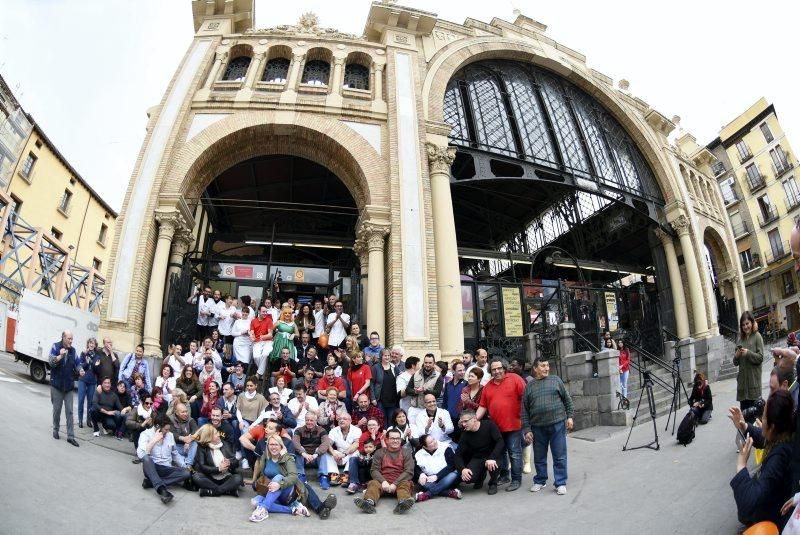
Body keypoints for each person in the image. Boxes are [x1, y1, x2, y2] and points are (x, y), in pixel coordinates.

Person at [729, 390, 794, 530]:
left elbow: (748, 505)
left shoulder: (778, 458)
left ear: (772, 427)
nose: (760, 421)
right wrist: (744, 426)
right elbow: (764, 437)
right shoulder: (785, 434)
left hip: (773, 522)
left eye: (763, 418)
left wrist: (741, 465)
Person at [521, 357, 574, 496]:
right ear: (535, 368)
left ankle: (560, 482)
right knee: (539, 456)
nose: (546, 368)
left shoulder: (556, 380)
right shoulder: (529, 387)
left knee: (559, 455)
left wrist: (570, 417)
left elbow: (567, 400)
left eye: (547, 365)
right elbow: (524, 410)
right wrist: (527, 429)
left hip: (557, 424)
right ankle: (540, 480)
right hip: (537, 427)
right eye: (543, 366)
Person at [476, 358, 526, 493]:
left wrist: (527, 422)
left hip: (514, 425)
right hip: (497, 428)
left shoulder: (515, 379)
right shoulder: (488, 387)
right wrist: (474, 419)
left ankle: (516, 479)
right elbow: (483, 406)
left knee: (514, 453)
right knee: (501, 454)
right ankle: (504, 476)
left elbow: (526, 398)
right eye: (494, 369)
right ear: (490, 371)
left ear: (504, 368)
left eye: (499, 368)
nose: (497, 371)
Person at [249, 434, 311, 521]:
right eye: (271, 444)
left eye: (276, 444)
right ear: (267, 446)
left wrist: (279, 484)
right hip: (271, 492)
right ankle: (293, 509)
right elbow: (263, 475)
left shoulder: (287, 458)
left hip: (287, 492)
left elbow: (293, 477)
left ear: (281, 446)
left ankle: (262, 510)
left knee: (278, 477)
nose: (273, 447)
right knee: (255, 502)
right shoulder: (265, 457)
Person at [354, 428, 415, 514]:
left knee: (405, 485)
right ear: (387, 440)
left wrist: (395, 484)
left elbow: (409, 471)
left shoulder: (406, 452)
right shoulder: (379, 452)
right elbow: (374, 470)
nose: (395, 440)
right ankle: (369, 503)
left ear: (400, 440)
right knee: (373, 483)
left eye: (397, 438)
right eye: (392, 438)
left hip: (400, 482)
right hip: (383, 483)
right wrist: (383, 481)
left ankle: (403, 503)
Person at [137, 414, 192, 504]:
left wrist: (185, 466)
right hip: (152, 467)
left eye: (168, 429)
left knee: (186, 473)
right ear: (157, 427)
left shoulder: (169, 436)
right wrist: (154, 440)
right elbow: (141, 455)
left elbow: (175, 454)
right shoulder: (145, 434)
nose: (167, 431)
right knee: (146, 458)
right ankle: (161, 490)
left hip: (166, 468)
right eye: (166, 429)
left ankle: (152, 483)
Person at [455, 410, 504, 493]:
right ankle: (481, 476)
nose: (463, 424)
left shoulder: (489, 425)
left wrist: (492, 458)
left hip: (493, 456)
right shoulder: (465, 434)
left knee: (493, 465)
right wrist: (462, 469)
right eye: (462, 422)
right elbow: (458, 454)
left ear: (474, 419)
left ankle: (493, 483)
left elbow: (500, 441)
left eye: (466, 421)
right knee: (468, 478)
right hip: (478, 458)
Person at [191, 423, 242, 497]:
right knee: (197, 477)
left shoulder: (225, 444)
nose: (218, 435)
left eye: (217, 432)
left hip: (225, 477)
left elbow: (236, 462)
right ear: (209, 437)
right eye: (215, 434)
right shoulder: (201, 448)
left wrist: (230, 462)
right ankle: (227, 491)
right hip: (209, 478)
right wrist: (218, 469)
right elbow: (203, 467)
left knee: (238, 478)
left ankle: (211, 491)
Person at [49, 330, 80, 446]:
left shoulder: (73, 350)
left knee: (70, 411)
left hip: (68, 386)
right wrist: (60, 356)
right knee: (57, 410)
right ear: (63, 338)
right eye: (69, 338)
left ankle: (70, 436)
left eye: (72, 339)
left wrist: (80, 370)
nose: (71, 341)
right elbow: (51, 362)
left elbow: (78, 363)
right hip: (56, 385)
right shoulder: (55, 346)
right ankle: (55, 429)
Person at [292, 412, 335, 489]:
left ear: (316, 421)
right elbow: (295, 443)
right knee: (299, 448)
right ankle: (301, 474)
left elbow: (326, 443)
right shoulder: (299, 430)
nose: (309, 422)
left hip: (316, 459)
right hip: (304, 459)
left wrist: (316, 454)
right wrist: (304, 454)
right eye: (307, 420)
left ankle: (323, 476)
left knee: (322, 449)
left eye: (311, 420)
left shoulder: (322, 430)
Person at [414, 433, 461, 501]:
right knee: (421, 480)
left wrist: (437, 476)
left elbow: (452, 466)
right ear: (425, 447)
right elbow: (416, 467)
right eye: (431, 442)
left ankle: (427, 495)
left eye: (433, 439)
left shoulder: (446, 448)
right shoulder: (418, 454)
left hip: (446, 478)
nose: (434, 442)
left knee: (454, 474)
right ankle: (449, 492)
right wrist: (421, 474)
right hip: (430, 479)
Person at [735, 311, 765, 414]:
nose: (745, 327)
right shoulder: (739, 339)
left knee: (756, 418)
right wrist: (737, 355)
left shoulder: (757, 336)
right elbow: (735, 362)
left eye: (747, 323)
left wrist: (748, 353)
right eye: (743, 325)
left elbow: (760, 358)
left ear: (752, 323)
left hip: (754, 383)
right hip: (743, 386)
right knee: (745, 417)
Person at [406, 354, 443, 423]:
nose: (427, 365)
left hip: (428, 410)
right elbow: (408, 390)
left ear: (434, 363)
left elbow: (437, 393)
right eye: (426, 362)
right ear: (423, 363)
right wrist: (416, 391)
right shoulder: (416, 374)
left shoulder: (438, 376)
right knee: (413, 430)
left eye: (430, 363)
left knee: (426, 431)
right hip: (415, 408)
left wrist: (425, 391)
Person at [264, 306, 300, 377]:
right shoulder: (279, 322)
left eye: (289, 313)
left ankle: (288, 373)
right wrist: (271, 335)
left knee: (287, 357)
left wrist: (293, 334)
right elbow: (271, 330)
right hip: (278, 341)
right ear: (283, 314)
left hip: (289, 342)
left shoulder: (293, 324)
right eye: (285, 313)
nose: (287, 315)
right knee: (277, 357)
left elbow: (298, 334)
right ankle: (274, 372)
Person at [327, 413, 361, 487]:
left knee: (356, 452)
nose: (341, 420)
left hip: (349, 454)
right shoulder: (334, 430)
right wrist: (334, 454)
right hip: (338, 455)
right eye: (340, 419)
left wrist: (344, 454)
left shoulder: (357, 430)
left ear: (350, 421)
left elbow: (356, 444)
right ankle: (334, 474)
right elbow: (328, 444)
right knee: (327, 452)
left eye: (344, 419)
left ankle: (346, 474)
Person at [76, 337, 100, 428]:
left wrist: (95, 365)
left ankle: (89, 420)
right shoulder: (83, 353)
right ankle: (80, 420)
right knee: (81, 400)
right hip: (83, 380)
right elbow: (80, 365)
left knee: (90, 402)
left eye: (93, 343)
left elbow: (96, 370)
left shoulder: (97, 356)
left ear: (95, 345)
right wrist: (86, 363)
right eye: (90, 343)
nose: (91, 344)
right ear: (88, 344)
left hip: (92, 381)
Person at [372, 348, 400, 426]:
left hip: (393, 399)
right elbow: (371, 384)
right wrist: (373, 398)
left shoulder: (394, 367)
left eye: (388, 355)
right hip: (380, 399)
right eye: (385, 355)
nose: (387, 357)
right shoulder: (376, 367)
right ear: (381, 356)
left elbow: (401, 379)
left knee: (392, 420)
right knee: (382, 421)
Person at [170, 402, 199, 468]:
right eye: (182, 412)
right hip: (177, 447)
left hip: (189, 446)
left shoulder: (190, 419)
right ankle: (189, 460)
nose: (185, 414)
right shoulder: (171, 419)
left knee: (195, 443)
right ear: (177, 413)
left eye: (186, 411)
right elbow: (172, 433)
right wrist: (183, 438)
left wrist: (189, 441)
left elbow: (196, 431)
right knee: (170, 449)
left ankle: (188, 465)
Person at [250, 306, 274, 378]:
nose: (265, 313)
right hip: (257, 342)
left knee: (265, 354)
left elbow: (270, 334)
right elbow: (252, 332)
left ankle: (258, 374)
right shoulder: (253, 321)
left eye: (266, 312)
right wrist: (252, 337)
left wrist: (263, 337)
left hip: (267, 341)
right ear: (259, 311)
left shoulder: (269, 320)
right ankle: (263, 373)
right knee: (256, 357)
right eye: (263, 312)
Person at [442, 362, 467, 427]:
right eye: (460, 370)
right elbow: (444, 402)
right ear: (453, 371)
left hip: (460, 419)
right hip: (448, 418)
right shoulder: (448, 385)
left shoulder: (466, 384)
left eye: (464, 370)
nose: (462, 372)